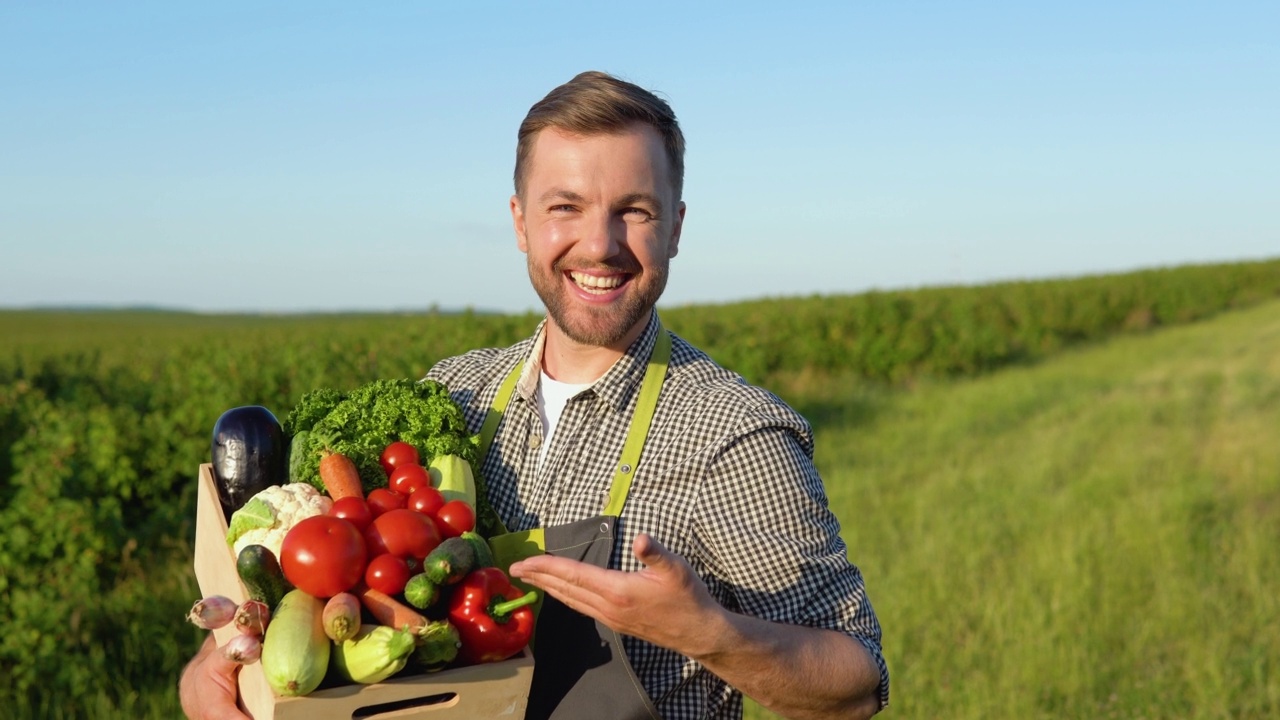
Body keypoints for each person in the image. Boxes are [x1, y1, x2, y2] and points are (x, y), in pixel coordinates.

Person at [181, 70, 888, 720]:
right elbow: (340, 592)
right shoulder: (452, 394)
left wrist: (711, 635)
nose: (599, 243)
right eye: (566, 206)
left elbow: (855, 681)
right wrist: (222, 668)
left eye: (634, 211)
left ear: (675, 225)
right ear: (521, 222)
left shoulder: (733, 435)